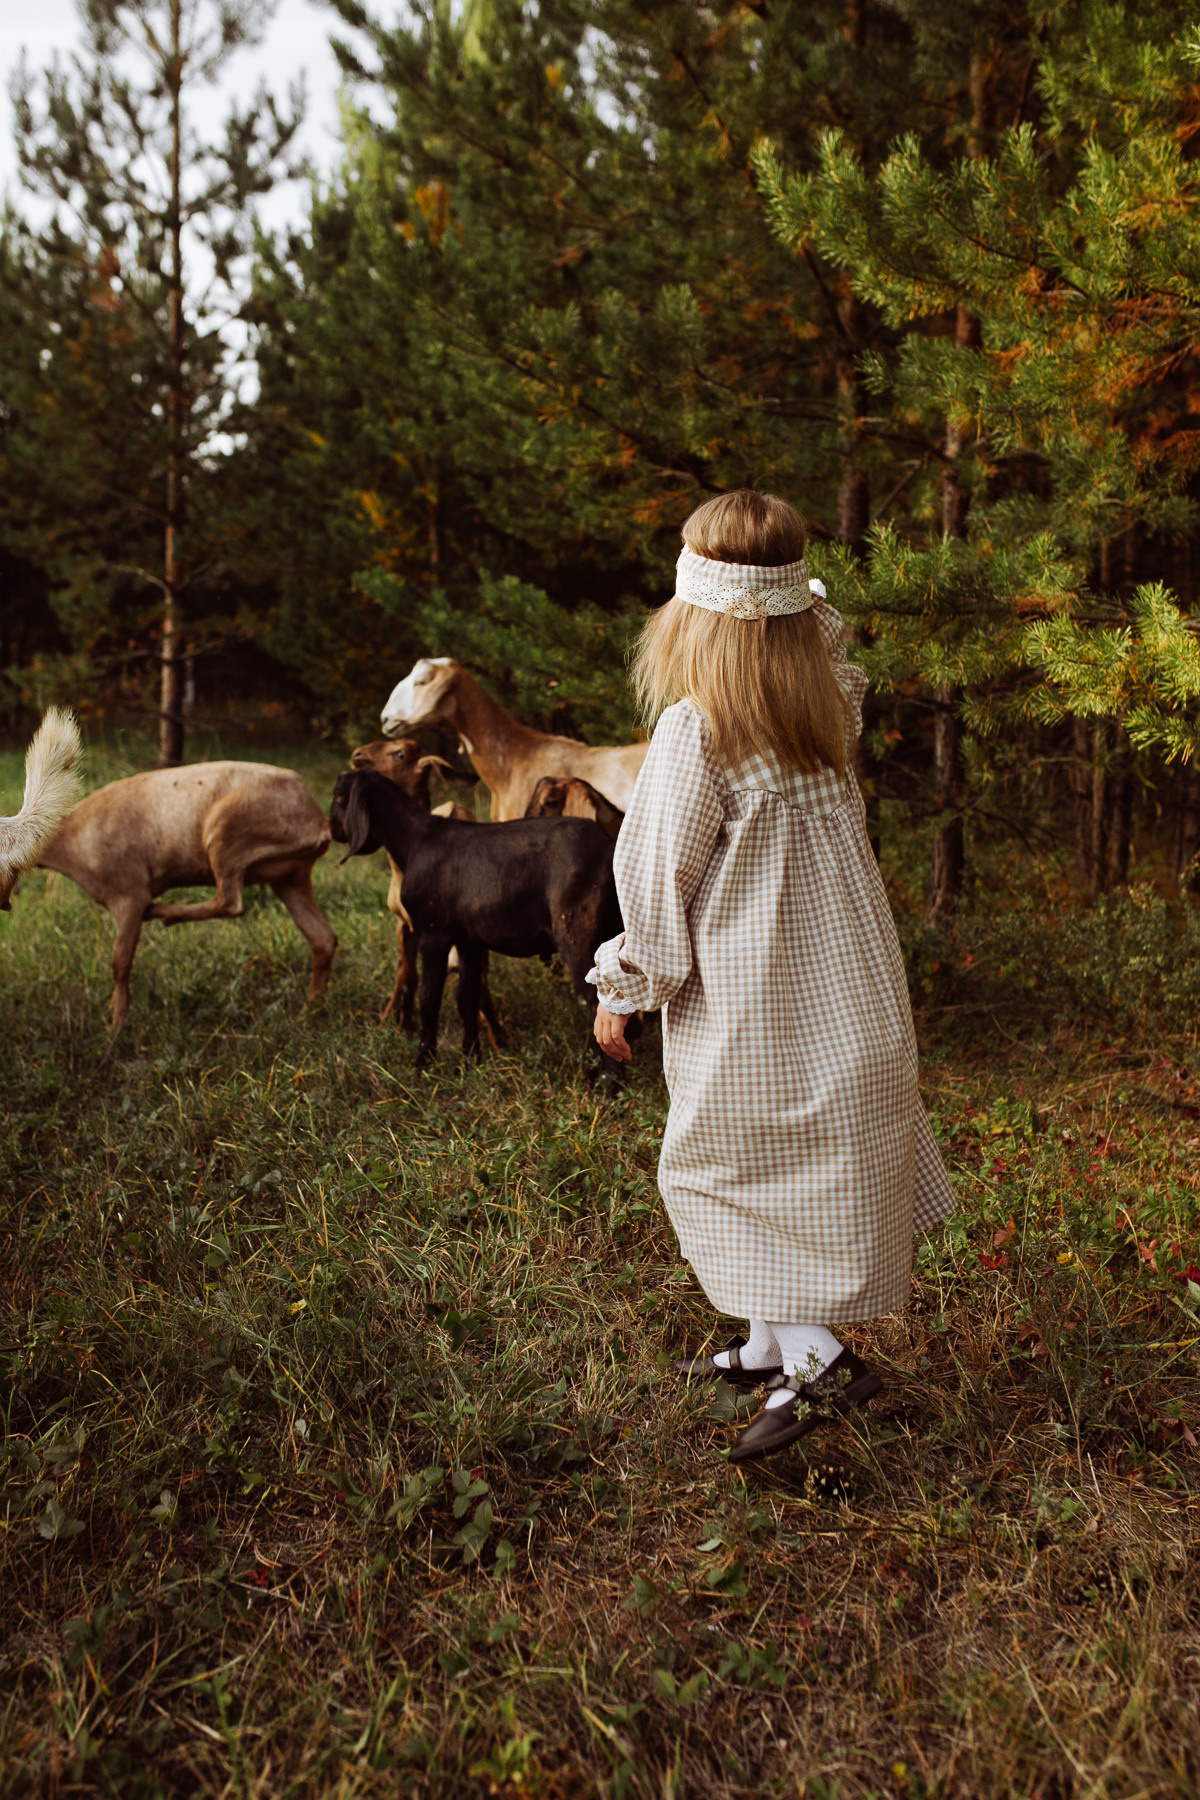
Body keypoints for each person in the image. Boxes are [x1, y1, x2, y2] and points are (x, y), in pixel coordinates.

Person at [589, 489, 956, 1463]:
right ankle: (766, 1344)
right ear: (795, 615)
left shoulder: (696, 732)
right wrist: (796, 609)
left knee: (723, 1173)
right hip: (847, 1001)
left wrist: (623, 987)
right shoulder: (827, 706)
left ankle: (825, 1363)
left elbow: (656, 884)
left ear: (690, 616)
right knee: (785, 1174)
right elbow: (822, 637)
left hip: (756, 1008)